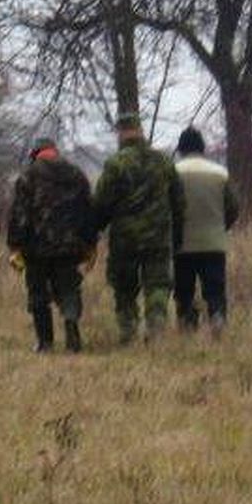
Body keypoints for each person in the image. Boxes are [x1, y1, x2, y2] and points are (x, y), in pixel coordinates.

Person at [91, 112, 184, 343]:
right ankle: (156, 327)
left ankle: (128, 331)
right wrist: (177, 232)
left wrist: (95, 228)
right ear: (140, 130)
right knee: (158, 284)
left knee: (124, 286)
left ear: (120, 133)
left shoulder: (116, 163)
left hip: (125, 238)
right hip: (158, 236)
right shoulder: (163, 161)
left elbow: (101, 202)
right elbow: (179, 201)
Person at [5, 137, 97, 354]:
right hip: (70, 247)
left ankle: (45, 342)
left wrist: (15, 246)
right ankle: (72, 334)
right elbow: (88, 212)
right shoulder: (76, 175)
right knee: (69, 289)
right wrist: (90, 244)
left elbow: (19, 215)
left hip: (36, 249)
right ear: (55, 151)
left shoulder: (28, 176)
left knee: (38, 293)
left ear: (35, 153)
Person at [171, 126, 237, 333]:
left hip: (182, 244)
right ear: (202, 147)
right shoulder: (220, 173)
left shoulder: (173, 173)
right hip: (214, 243)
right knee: (215, 289)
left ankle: (187, 326)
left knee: (184, 291)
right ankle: (217, 317)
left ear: (180, 148)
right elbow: (233, 208)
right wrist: (220, 227)